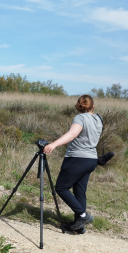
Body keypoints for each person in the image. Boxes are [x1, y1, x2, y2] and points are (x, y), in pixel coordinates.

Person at [44, 95, 103, 233]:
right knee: (79, 191)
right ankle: (79, 226)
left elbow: (72, 134)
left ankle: (82, 216)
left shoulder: (80, 118)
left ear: (78, 106)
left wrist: (54, 144)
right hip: (91, 159)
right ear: (92, 106)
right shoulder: (99, 119)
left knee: (61, 187)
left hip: (77, 158)